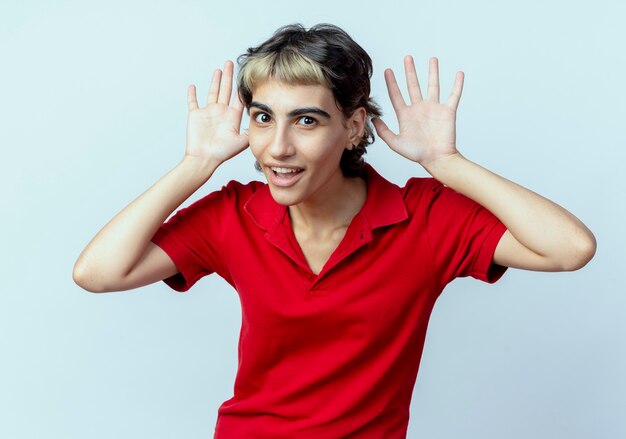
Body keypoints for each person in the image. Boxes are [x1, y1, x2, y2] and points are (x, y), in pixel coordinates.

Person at [73, 23, 596, 438]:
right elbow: (97, 273)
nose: (277, 147)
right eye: (262, 118)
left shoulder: (426, 217)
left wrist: (446, 161)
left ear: (353, 127)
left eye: (306, 121)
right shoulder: (234, 215)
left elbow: (570, 249)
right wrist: (194, 164)